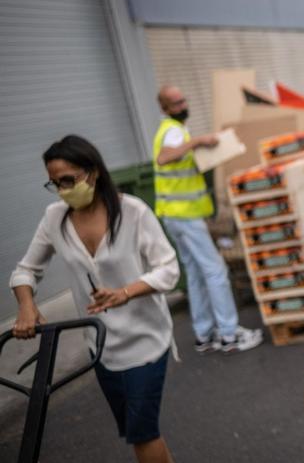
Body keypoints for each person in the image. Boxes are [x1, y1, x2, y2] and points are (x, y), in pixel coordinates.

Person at [10, 135, 178, 463]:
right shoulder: (54, 219)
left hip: (146, 341)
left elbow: (168, 269)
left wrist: (126, 292)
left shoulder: (132, 212)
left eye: (69, 180)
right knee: (136, 432)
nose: (63, 189)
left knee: (144, 433)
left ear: (94, 172)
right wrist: (27, 306)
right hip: (100, 348)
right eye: (55, 183)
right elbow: (24, 271)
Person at [153, 85, 262, 353]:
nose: (182, 106)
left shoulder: (169, 130)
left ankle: (204, 334)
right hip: (185, 218)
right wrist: (197, 142)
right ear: (165, 108)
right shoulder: (174, 131)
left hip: (174, 217)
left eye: (183, 100)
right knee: (215, 271)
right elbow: (165, 157)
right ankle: (228, 334)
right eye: (176, 103)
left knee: (197, 274)